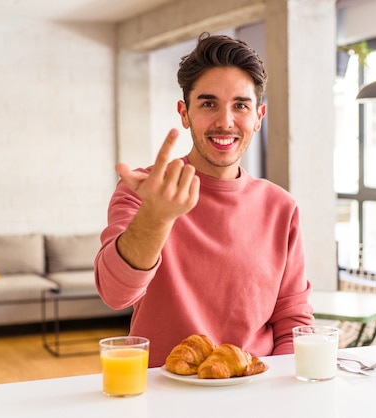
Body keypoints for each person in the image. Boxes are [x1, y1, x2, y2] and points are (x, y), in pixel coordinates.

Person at [94, 33, 314, 368]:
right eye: (208, 103)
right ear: (184, 113)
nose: (225, 121)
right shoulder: (146, 190)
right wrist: (156, 218)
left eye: (240, 105)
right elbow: (114, 294)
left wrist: (281, 394)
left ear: (259, 116)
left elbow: (293, 321)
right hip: (164, 391)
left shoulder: (281, 207)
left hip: (256, 389)